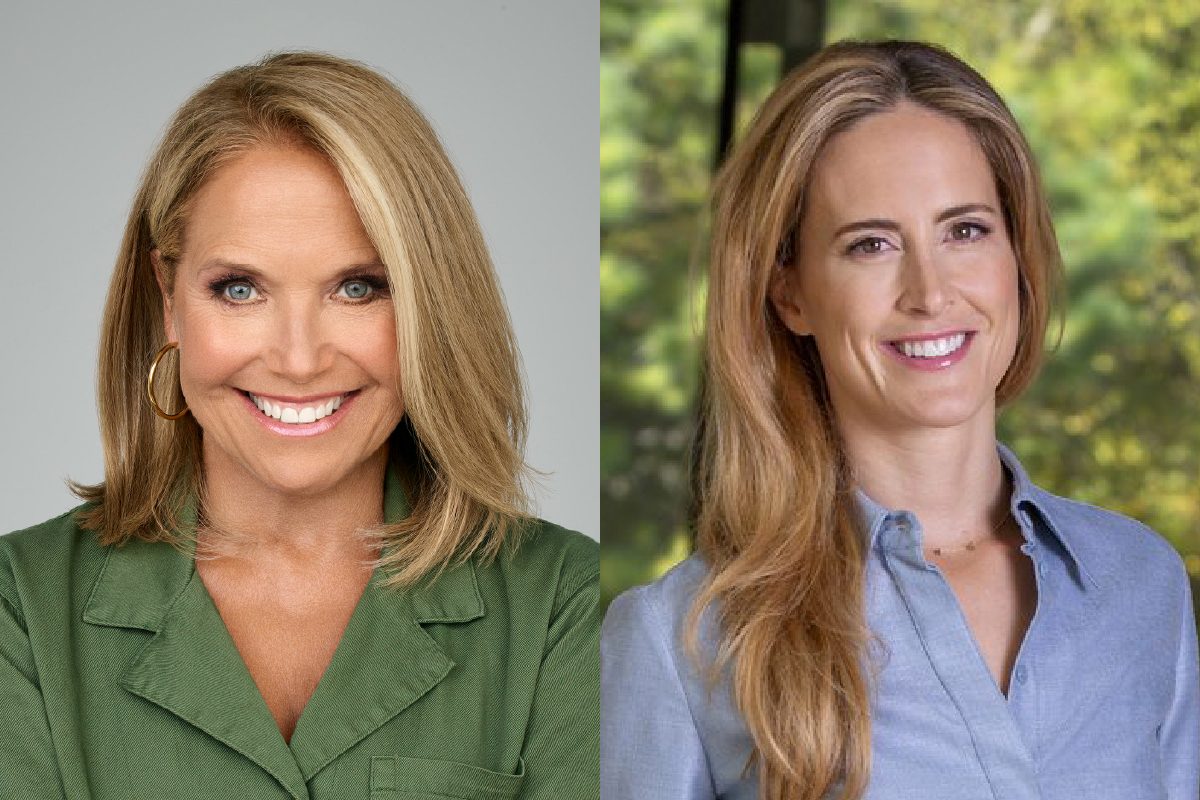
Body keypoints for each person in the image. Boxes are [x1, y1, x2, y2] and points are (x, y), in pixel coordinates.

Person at [601, 40, 1198, 800]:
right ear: (791, 293)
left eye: (965, 230)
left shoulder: (1139, 583)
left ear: (1017, 254)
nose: (930, 292)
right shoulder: (682, 643)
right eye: (871, 244)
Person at [0, 52, 598, 799]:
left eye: (358, 288)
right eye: (239, 289)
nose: (298, 358)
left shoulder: (564, 604)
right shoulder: (21, 610)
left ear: (429, 301)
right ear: (168, 298)